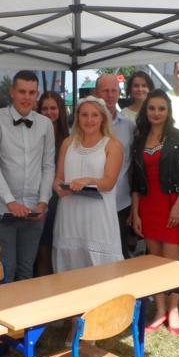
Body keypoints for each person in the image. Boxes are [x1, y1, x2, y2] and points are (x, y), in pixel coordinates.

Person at [131, 90, 179, 335]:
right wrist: (135, 212)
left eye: (161, 108)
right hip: (148, 206)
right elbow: (135, 180)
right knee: (154, 262)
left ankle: (173, 309)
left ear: (168, 111)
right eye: (152, 108)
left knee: (171, 263)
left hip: (173, 204)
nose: (156, 113)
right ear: (145, 111)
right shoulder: (139, 139)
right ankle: (160, 310)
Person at [0, 70, 55, 281]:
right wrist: (10, 202)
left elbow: (48, 166)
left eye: (31, 92)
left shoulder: (45, 124)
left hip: (34, 210)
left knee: (26, 269)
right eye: (22, 91)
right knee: (5, 270)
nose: (26, 97)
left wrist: (43, 201)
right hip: (2, 210)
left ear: (37, 94)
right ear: (12, 92)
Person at [53, 96, 124, 270]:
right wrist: (58, 186)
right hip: (69, 214)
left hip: (98, 216)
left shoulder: (113, 145)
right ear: (78, 117)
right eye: (84, 115)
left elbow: (108, 183)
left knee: (101, 270)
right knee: (69, 268)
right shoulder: (68, 143)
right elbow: (59, 177)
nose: (89, 120)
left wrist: (89, 180)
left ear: (103, 118)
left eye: (94, 115)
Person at [94, 74, 136, 258]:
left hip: (121, 202)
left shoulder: (129, 126)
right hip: (93, 200)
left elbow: (133, 165)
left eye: (114, 91)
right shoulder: (85, 125)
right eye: (105, 91)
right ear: (96, 93)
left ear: (119, 93)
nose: (110, 95)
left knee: (120, 254)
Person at [35, 91, 70, 276]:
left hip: (63, 199)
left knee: (60, 248)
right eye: (45, 108)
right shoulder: (34, 136)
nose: (49, 112)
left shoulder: (69, 137)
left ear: (60, 110)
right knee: (44, 249)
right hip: (42, 197)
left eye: (53, 108)